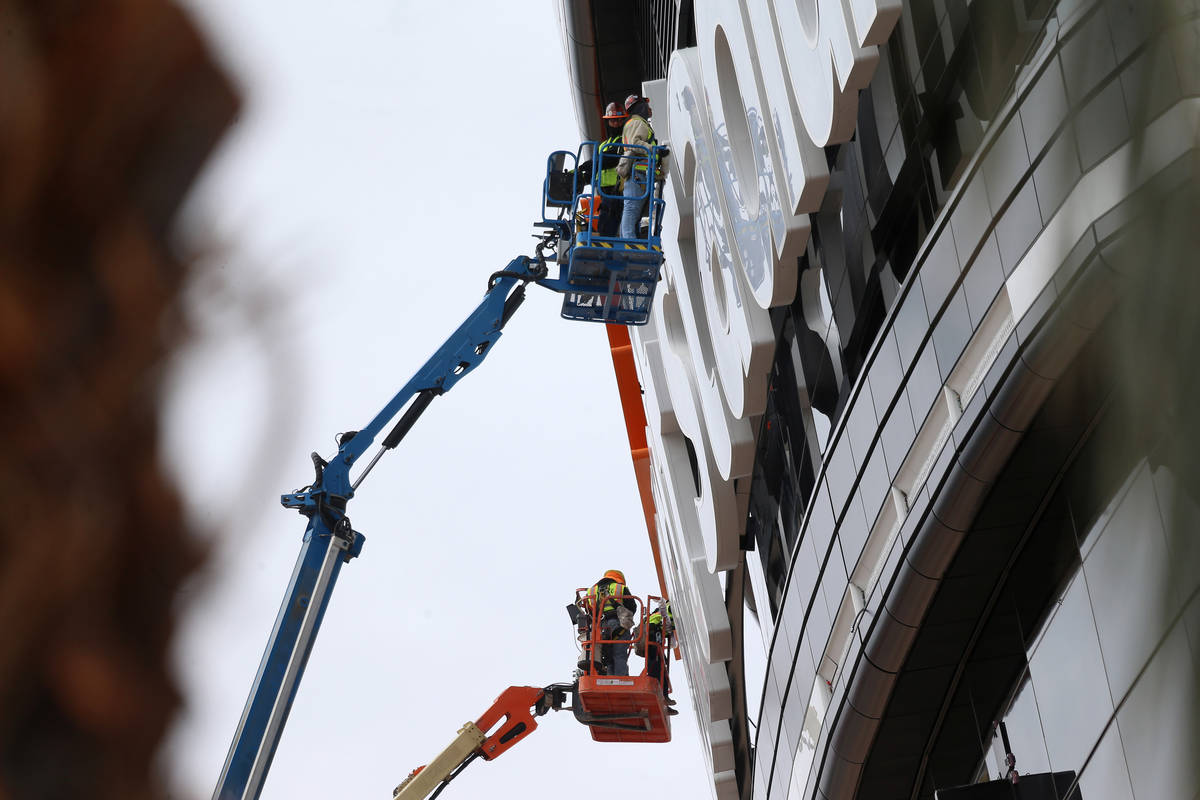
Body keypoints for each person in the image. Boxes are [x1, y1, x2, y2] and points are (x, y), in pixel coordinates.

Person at [617, 94, 659, 240]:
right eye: (646, 106)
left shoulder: (634, 123)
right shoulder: (638, 123)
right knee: (632, 208)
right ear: (640, 107)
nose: (650, 109)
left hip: (639, 172)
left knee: (634, 209)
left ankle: (628, 238)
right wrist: (655, 150)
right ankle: (628, 240)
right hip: (637, 172)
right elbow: (635, 143)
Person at [582, 569, 637, 676]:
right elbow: (632, 607)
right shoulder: (620, 588)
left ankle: (610, 679)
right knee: (619, 655)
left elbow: (588, 612)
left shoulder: (591, 591)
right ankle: (620, 680)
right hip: (618, 625)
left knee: (608, 657)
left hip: (600, 627)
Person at [596, 101, 628, 237]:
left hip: (617, 187)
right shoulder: (603, 144)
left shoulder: (625, 140)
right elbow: (595, 165)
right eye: (612, 121)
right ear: (607, 122)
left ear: (623, 121)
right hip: (603, 189)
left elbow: (612, 159)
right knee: (604, 218)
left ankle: (606, 246)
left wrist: (594, 164)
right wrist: (577, 171)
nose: (615, 124)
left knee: (613, 218)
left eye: (618, 121)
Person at [644, 600, 679, 714]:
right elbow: (664, 611)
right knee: (656, 669)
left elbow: (673, 643)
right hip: (651, 635)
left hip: (655, 638)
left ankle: (664, 700)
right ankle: (661, 698)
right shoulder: (669, 608)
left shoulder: (661, 616)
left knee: (662, 670)